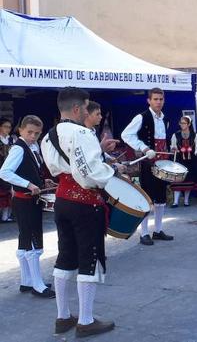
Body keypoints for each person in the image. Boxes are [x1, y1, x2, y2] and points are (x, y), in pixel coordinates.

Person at [41, 87, 122, 337]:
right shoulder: (82, 132)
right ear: (76, 108)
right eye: (86, 107)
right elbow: (90, 173)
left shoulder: (48, 136)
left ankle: (62, 317)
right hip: (86, 203)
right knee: (89, 258)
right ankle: (86, 321)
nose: (88, 111)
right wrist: (114, 172)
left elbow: (66, 167)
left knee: (65, 257)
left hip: (63, 200)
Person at [0, 115, 55, 298]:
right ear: (21, 130)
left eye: (37, 133)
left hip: (27, 200)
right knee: (33, 241)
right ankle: (37, 285)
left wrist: (41, 180)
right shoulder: (18, 148)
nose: (33, 136)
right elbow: (5, 172)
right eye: (29, 132)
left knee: (25, 240)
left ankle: (26, 281)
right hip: (25, 200)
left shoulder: (32, 146)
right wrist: (29, 184)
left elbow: (31, 170)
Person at [121, 87, 174, 246]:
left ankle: (157, 230)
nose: (158, 102)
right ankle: (144, 233)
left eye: (161, 99)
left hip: (163, 162)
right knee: (146, 198)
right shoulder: (141, 117)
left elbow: (162, 140)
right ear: (149, 101)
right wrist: (144, 148)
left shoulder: (165, 118)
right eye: (155, 99)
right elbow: (126, 135)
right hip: (148, 162)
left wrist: (170, 148)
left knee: (161, 198)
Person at [169, 116, 196, 207]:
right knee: (178, 180)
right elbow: (172, 146)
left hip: (190, 160)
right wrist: (174, 149)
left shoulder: (194, 135)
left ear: (189, 124)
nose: (182, 125)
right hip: (179, 160)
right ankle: (175, 202)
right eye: (181, 123)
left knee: (188, 180)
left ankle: (186, 201)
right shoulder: (175, 135)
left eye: (184, 123)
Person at [0, 118, 15, 222]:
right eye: (5, 126)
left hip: (10, 167)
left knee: (9, 192)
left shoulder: (12, 140)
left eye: (9, 127)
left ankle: (7, 215)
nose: (8, 129)